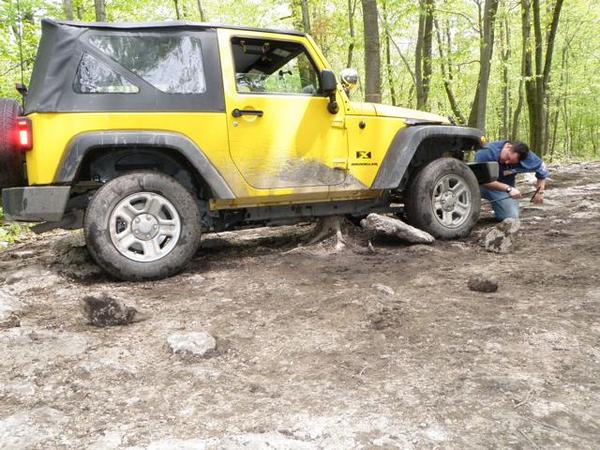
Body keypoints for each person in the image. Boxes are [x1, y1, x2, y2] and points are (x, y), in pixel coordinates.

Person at [475, 140, 549, 221]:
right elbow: (482, 179)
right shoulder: (486, 152)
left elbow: (541, 168)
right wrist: (508, 189)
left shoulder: (526, 155)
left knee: (510, 216)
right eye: (508, 157)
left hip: (502, 189)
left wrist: (540, 191)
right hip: (478, 185)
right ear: (508, 146)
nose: (507, 162)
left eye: (511, 162)